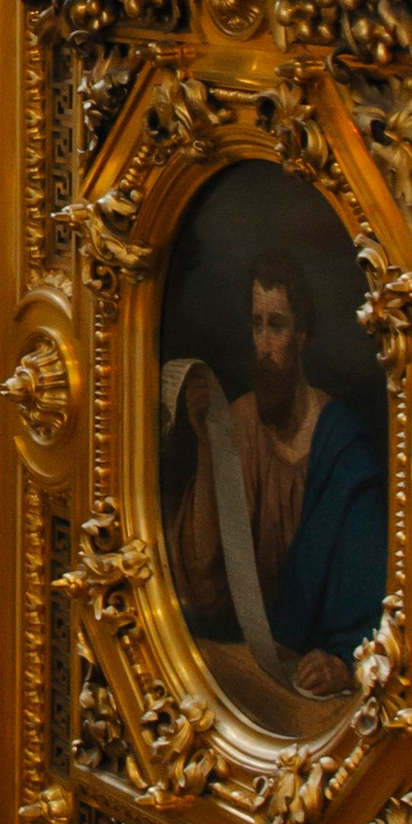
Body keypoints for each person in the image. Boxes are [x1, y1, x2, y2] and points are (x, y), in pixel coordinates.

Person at [163, 251, 384, 699]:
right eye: (257, 325)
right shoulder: (240, 423)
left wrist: (345, 663)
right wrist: (207, 450)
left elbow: (372, 597)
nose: (264, 345)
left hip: (316, 682)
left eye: (277, 326)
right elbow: (204, 584)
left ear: (302, 336)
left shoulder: (343, 446)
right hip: (258, 667)